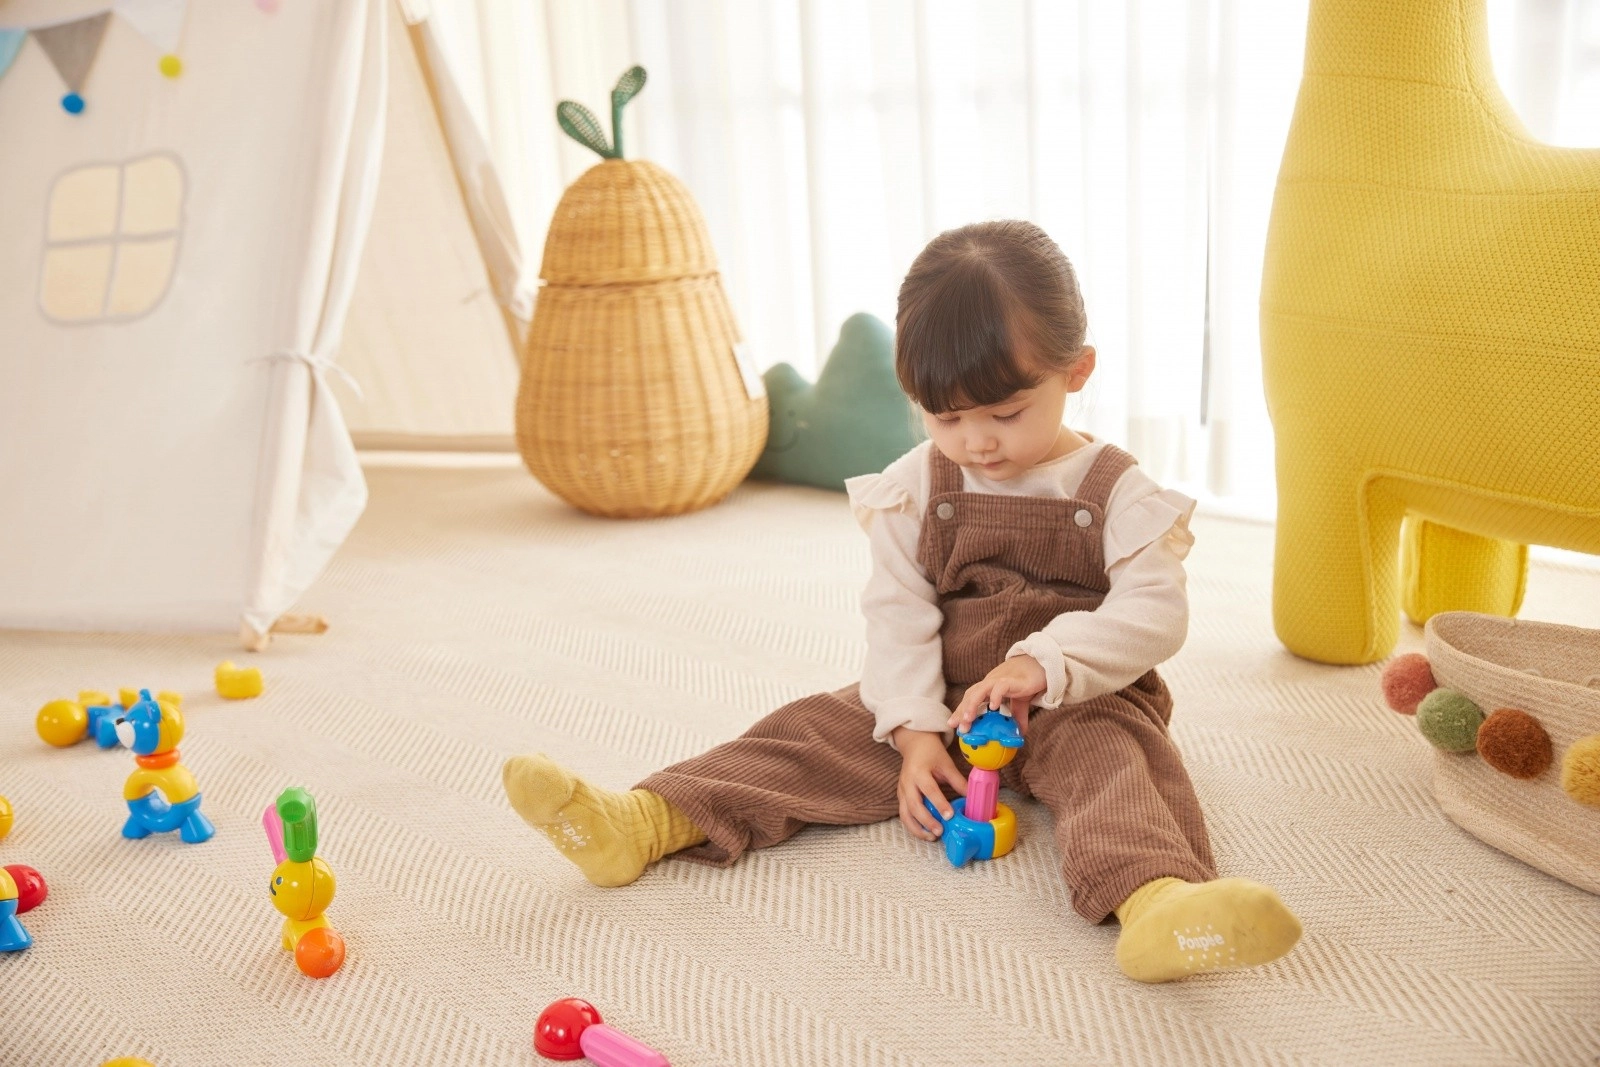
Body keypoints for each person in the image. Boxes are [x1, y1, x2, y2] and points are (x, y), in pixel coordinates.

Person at [501, 219, 1301, 983]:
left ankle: (1158, 902)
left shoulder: (1118, 491)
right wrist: (915, 731)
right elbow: (898, 613)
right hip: (938, 690)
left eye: (1006, 412)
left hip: (1077, 698)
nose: (977, 440)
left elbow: (1155, 611)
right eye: (945, 416)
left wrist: (1044, 663)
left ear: (1076, 370)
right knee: (809, 732)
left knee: (1120, 769)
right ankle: (642, 821)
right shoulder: (915, 486)